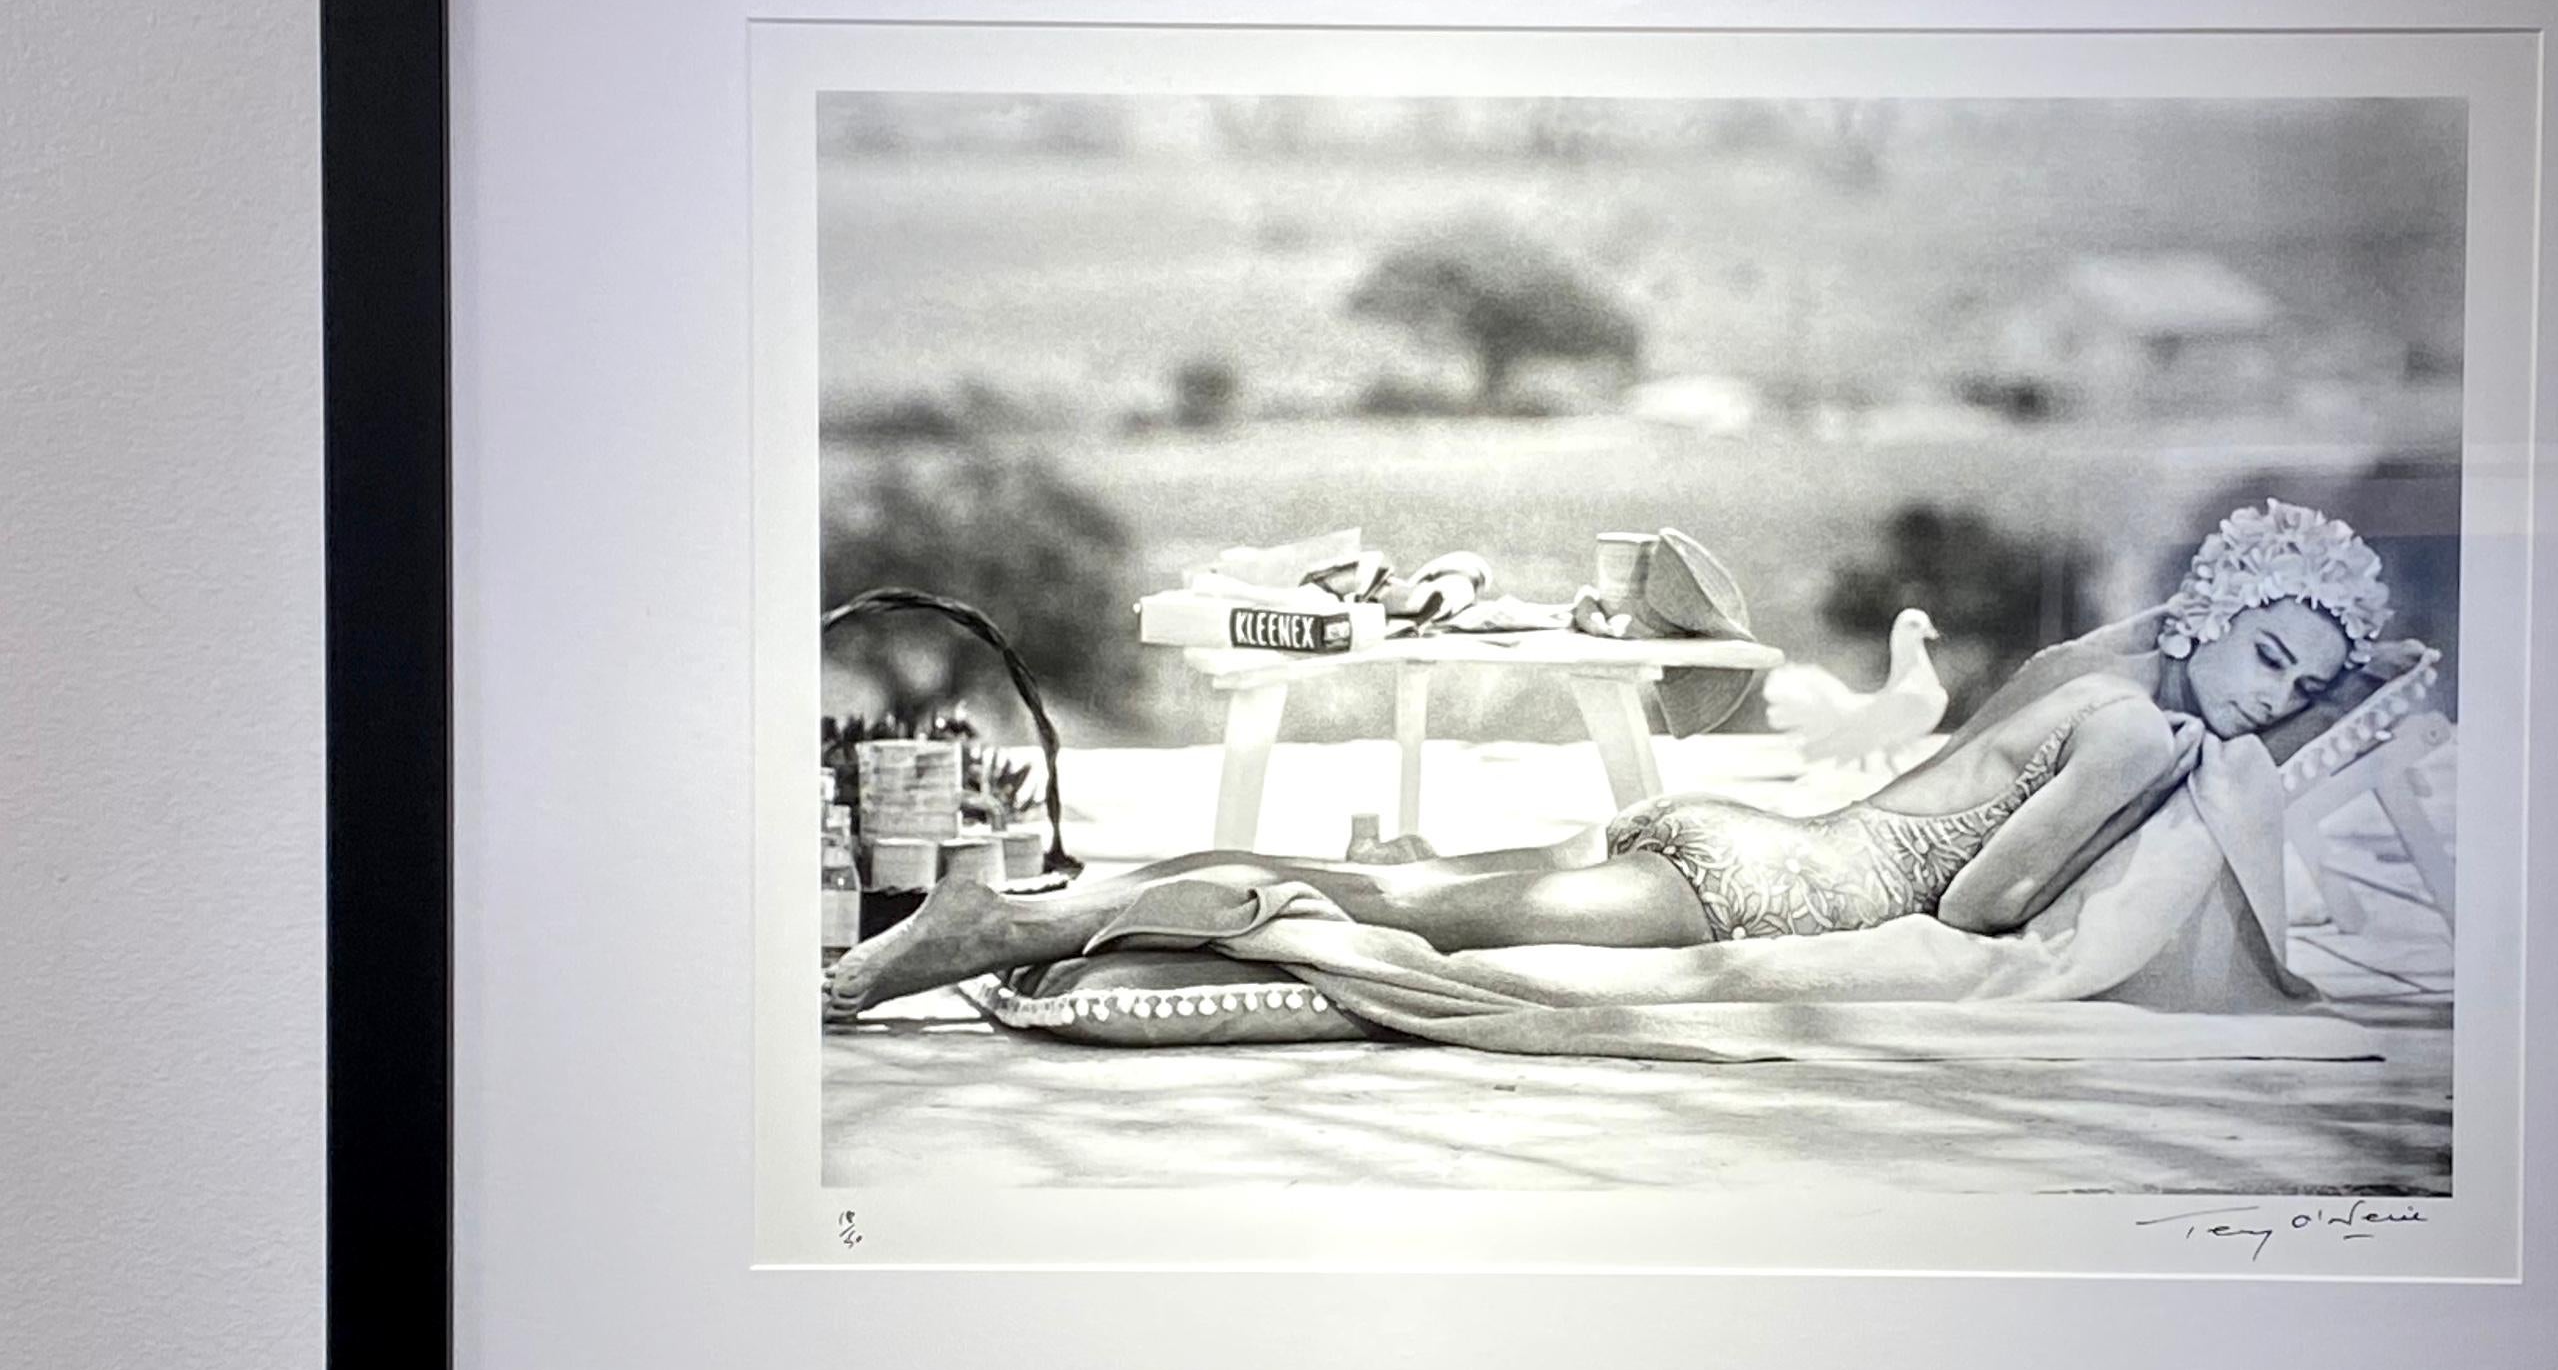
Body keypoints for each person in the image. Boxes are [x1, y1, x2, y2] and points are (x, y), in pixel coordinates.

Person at [824, 500, 2391, 1012]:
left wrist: (2329, 682)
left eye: (2303, 687)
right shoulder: (2144, 729)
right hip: (1767, 896)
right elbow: (1984, 905)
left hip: (1748, 834)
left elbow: (2172, 669)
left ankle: (1057, 922)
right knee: (1400, 909)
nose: (2269, 702)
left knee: (1396, 887)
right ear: (2217, 616)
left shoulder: (2093, 663)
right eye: (2269, 658)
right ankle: (1018, 922)